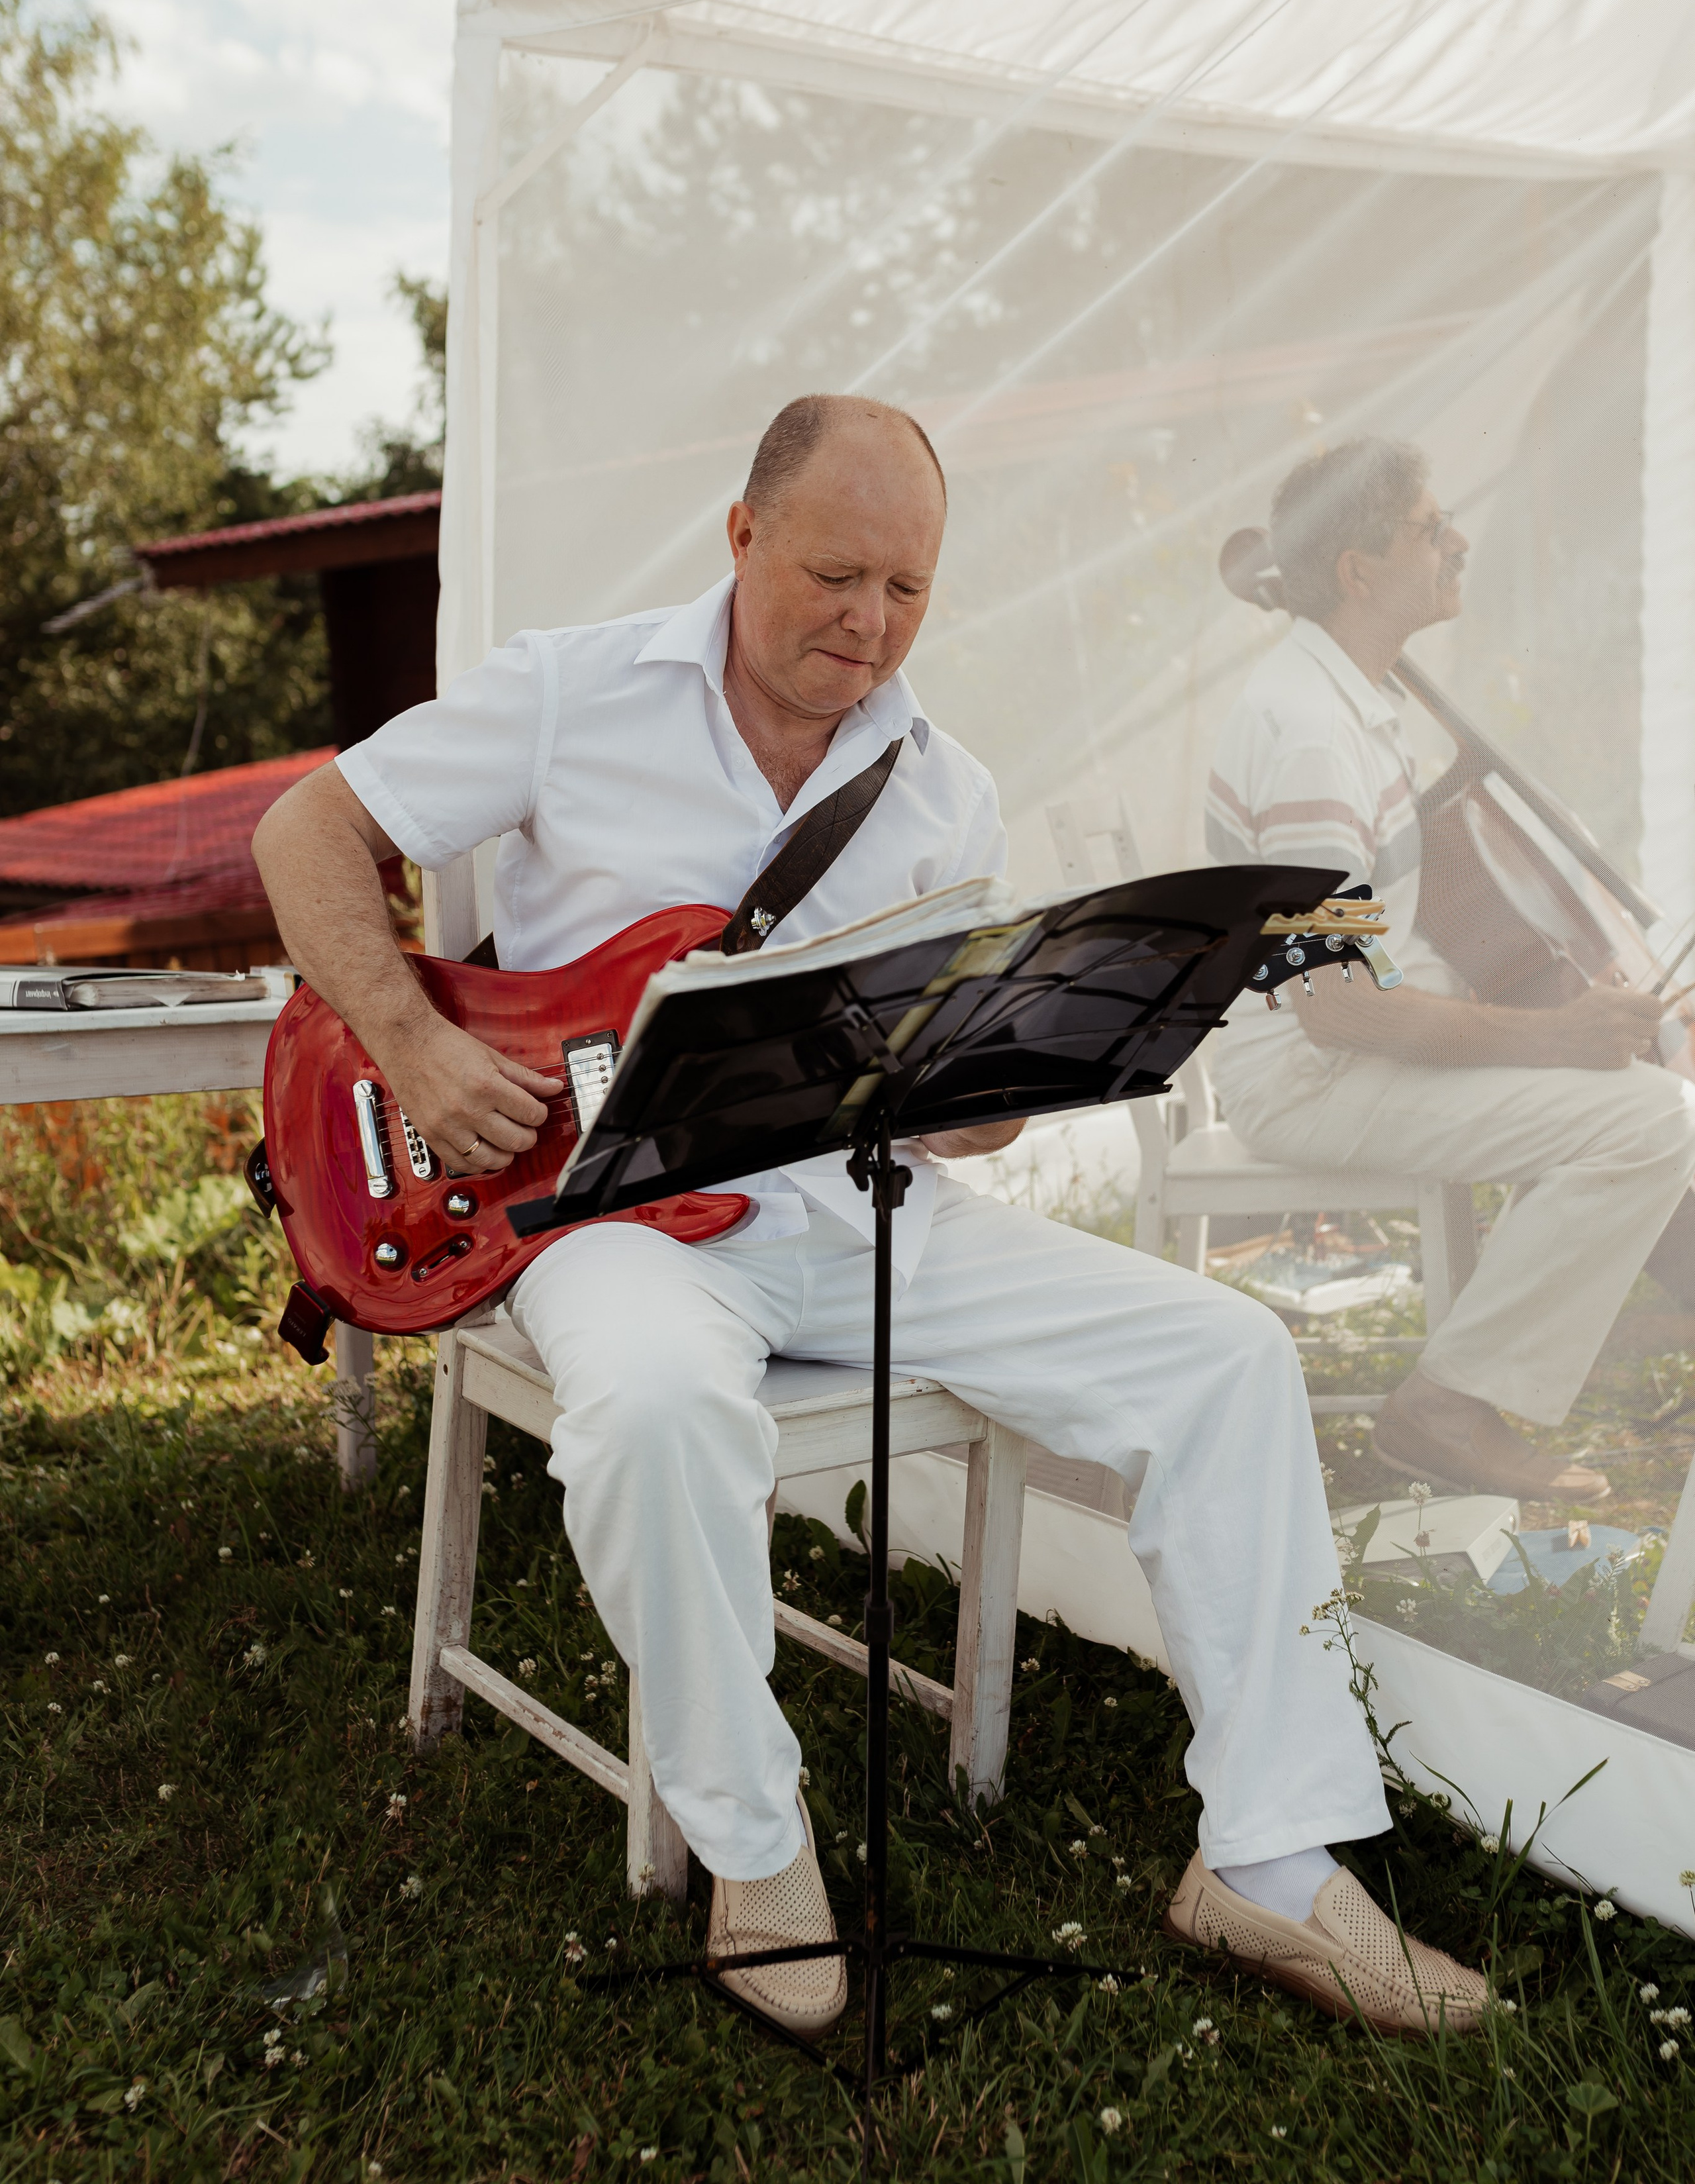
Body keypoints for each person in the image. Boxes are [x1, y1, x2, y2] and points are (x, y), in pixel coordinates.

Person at [254, 394, 1486, 2039]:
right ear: (742, 534)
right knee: (655, 1410)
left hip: (860, 1213)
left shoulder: (939, 788)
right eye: (834, 576)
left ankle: (1269, 1862)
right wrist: (412, 1041)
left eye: (906, 589)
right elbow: (308, 827)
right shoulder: (569, 689)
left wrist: (1010, 1071)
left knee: (1227, 1353)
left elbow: (952, 1112)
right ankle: (753, 1847)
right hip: (609, 1218)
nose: (869, 622)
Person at [1206, 436, 1695, 1503]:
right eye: (1432, 529)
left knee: (1648, 1098)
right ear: (1359, 572)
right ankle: (1446, 1411)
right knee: (1650, 1121)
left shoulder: (1349, 702)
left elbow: (1385, 941)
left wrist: (1574, 1017)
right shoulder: (1312, 739)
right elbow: (1336, 1006)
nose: (1457, 543)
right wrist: (1554, 1037)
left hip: (1348, 1052)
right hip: (1310, 1078)